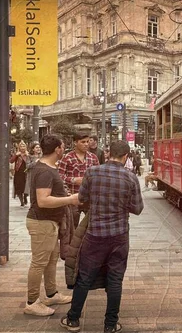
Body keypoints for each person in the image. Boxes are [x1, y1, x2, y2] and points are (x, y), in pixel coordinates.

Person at [61, 141, 144, 333]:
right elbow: (138, 209)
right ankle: (110, 324)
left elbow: (81, 198)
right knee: (115, 279)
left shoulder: (92, 172)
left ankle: (73, 319)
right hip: (119, 235)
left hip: (95, 234)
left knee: (84, 277)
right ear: (125, 157)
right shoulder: (131, 177)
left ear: (108, 154)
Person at [24, 135, 80, 316]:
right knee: (39, 262)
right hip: (42, 222)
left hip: (49, 222)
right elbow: (43, 200)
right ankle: (32, 302)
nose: (64, 150)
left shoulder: (48, 168)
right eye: (63, 147)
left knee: (51, 259)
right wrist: (70, 199)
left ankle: (51, 293)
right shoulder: (45, 171)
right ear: (57, 149)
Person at [59, 133, 100, 227]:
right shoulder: (67, 158)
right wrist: (73, 180)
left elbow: (98, 177)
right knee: (72, 226)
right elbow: (59, 176)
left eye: (87, 141)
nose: (86, 144)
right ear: (75, 143)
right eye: (83, 142)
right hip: (73, 197)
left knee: (92, 226)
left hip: (90, 197)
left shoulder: (93, 158)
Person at [10, 140, 30, 207]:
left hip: (26, 173)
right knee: (18, 188)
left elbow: (30, 162)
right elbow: (11, 161)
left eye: (23, 146)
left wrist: (27, 156)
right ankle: (21, 201)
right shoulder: (17, 154)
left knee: (26, 187)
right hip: (18, 173)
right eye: (21, 146)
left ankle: (25, 196)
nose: (22, 147)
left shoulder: (28, 154)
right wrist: (16, 155)